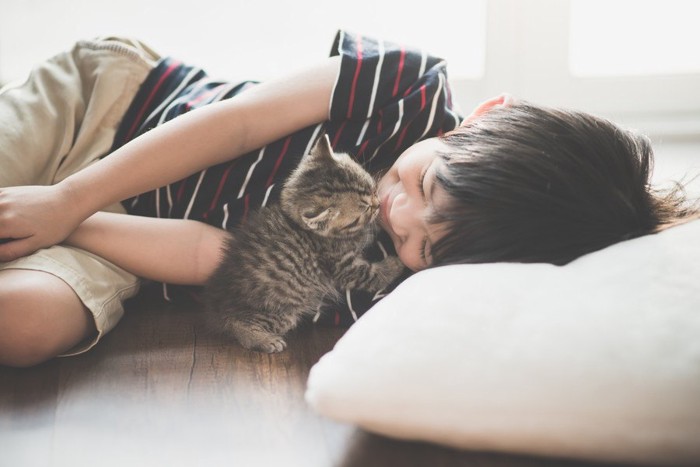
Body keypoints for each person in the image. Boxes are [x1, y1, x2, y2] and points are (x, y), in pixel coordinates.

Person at [0, 32, 696, 367]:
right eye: (427, 186)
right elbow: (236, 123)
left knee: (24, 322)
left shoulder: (384, 285)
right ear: (481, 117)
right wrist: (66, 196)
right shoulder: (405, 88)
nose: (395, 217)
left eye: (422, 246)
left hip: (128, 239)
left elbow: (213, 251)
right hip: (118, 112)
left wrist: (77, 224)